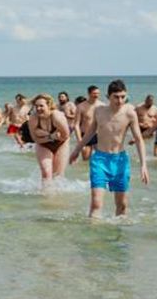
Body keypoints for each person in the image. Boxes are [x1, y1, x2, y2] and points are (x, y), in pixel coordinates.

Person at [69, 79, 149, 218]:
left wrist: (144, 165)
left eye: (123, 97)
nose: (120, 100)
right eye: (116, 97)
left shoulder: (130, 113)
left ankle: (118, 236)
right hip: (99, 159)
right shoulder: (99, 111)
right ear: (108, 97)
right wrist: (76, 150)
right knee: (96, 204)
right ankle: (92, 236)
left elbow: (138, 139)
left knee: (122, 205)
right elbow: (90, 133)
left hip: (120, 161)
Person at [27, 94, 71, 184]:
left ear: (49, 105)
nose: (38, 109)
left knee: (58, 175)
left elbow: (65, 136)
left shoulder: (57, 116)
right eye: (36, 106)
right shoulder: (33, 118)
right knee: (46, 173)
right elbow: (35, 139)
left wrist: (43, 135)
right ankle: (46, 196)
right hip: (43, 145)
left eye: (41, 106)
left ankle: (57, 197)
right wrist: (50, 136)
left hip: (61, 144)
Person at [75, 85, 103, 160]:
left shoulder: (102, 106)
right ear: (89, 93)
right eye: (94, 93)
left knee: (101, 158)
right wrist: (79, 140)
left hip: (99, 134)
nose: (96, 95)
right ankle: (86, 172)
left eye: (98, 93)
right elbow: (76, 125)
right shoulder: (81, 106)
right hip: (85, 135)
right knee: (86, 159)